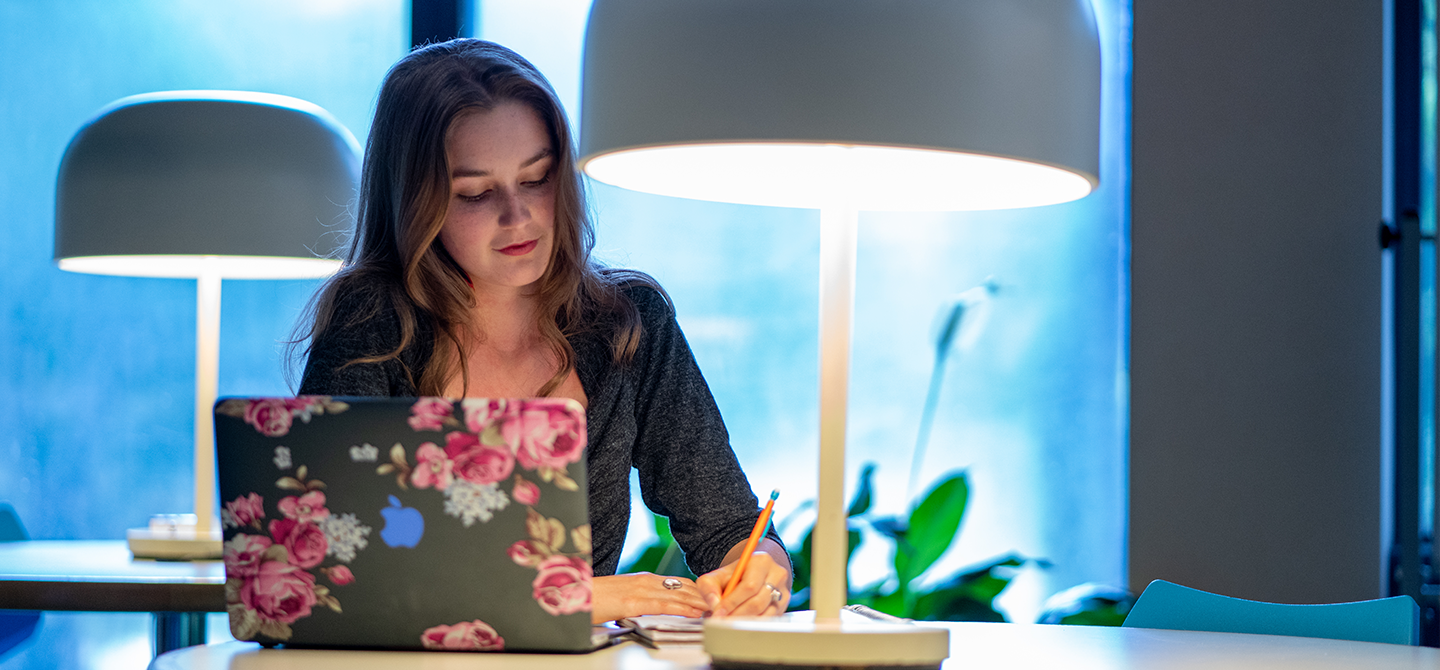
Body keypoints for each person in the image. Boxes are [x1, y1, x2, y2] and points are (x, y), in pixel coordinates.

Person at [292, 38, 791, 623]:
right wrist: (573, 598)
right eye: (475, 193)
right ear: (414, 203)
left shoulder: (628, 323)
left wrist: (761, 571)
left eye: (537, 178)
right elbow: (321, 581)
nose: (518, 215)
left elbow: (731, 526)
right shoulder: (372, 324)